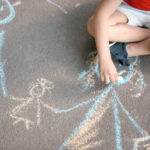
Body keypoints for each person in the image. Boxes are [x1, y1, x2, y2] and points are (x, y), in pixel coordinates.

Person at [87, 0, 150, 84]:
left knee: (99, 31)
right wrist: (105, 59)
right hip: (130, 9)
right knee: (93, 26)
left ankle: (124, 49)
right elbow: (102, 15)